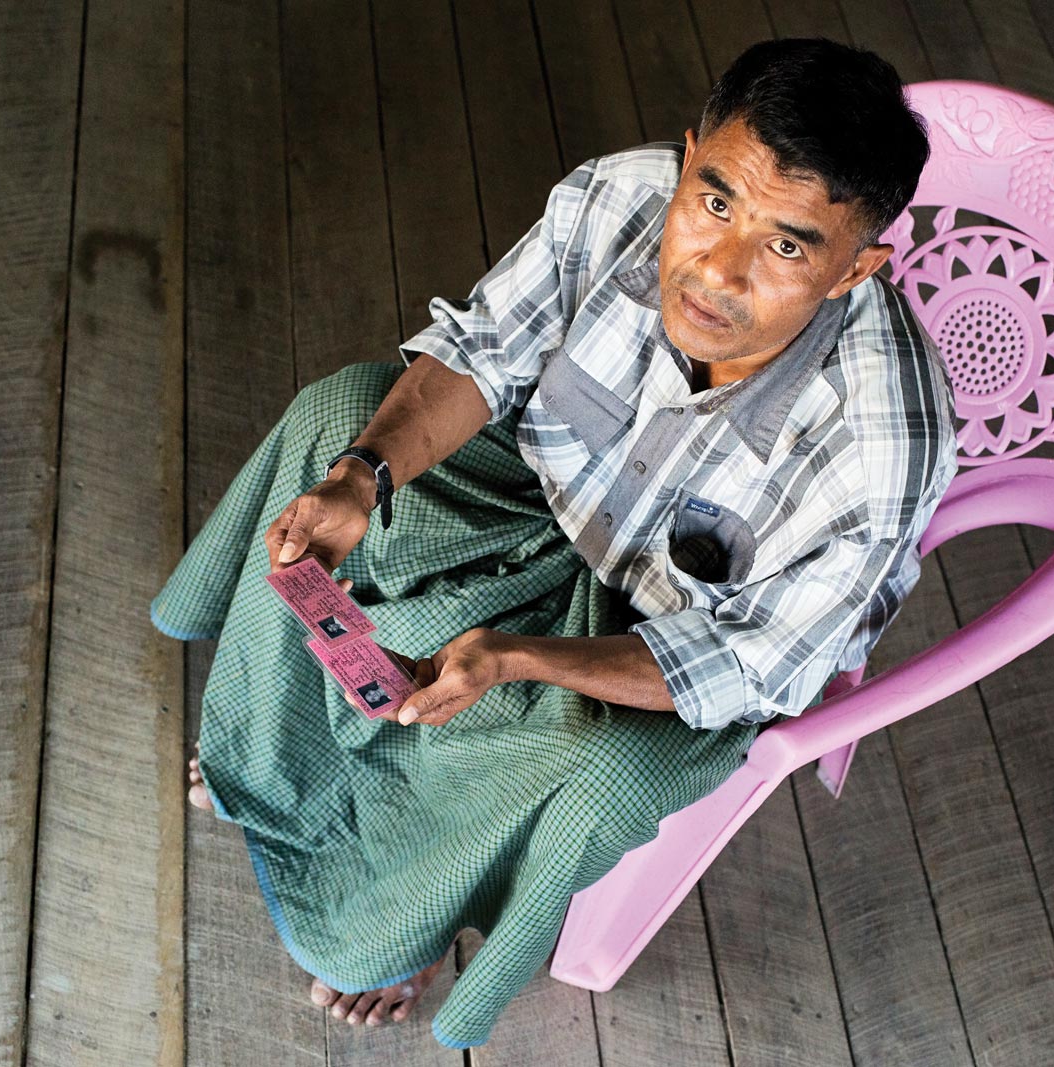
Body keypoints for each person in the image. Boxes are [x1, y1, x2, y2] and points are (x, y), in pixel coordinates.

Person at [155, 36, 958, 1048]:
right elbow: (487, 350)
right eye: (713, 201)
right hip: (538, 492)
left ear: (856, 270)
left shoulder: (886, 438)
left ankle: (406, 925)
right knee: (338, 421)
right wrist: (363, 477)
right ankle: (261, 766)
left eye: (787, 246)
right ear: (687, 154)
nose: (716, 270)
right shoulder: (618, 197)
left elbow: (747, 660)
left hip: (664, 626)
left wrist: (515, 655)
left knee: (595, 763)